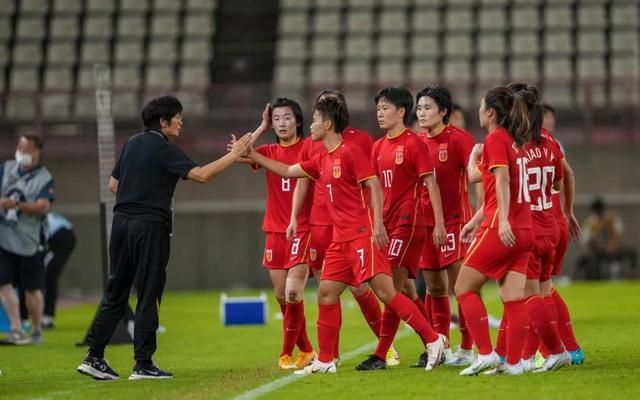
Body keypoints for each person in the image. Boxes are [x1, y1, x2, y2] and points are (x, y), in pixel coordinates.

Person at [246, 96, 447, 374]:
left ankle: (433, 339)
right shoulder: (319, 156)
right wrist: (254, 155)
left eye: (315, 119)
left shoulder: (351, 152)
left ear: (328, 124)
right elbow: (289, 171)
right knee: (327, 293)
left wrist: (377, 225)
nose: (311, 125)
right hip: (340, 240)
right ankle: (326, 360)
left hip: (362, 235)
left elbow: (374, 185)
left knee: (387, 292)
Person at [76, 95, 253, 381]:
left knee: (116, 292)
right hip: (149, 227)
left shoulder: (132, 143)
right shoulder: (163, 147)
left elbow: (113, 185)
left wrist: (139, 192)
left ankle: (94, 356)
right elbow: (202, 175)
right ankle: (143, 363)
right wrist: (235, 155)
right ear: (163, 121)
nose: (181, 121)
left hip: (121, 224)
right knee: (149, 292)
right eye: (178, 116)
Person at [287, 90, 396, 366]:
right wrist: (294, 217)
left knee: (361, 288)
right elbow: (301, 179)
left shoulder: (359, 141)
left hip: (353, 226)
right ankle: (328, 356)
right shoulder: (313, 141)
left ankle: (387, 347)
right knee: (327, 290)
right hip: (320, 224)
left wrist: (376, 219)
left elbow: (370, 181)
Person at [355, 86, 446, 371]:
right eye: (378, 108)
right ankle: (437, 341)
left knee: (388, 287)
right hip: (385, 225)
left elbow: (431, 184)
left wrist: (439, 223)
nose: (380, 113)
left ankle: (382, 354)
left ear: (402, 112)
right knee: (404, 291)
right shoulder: (377, 146)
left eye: (385, 108)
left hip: (408, 223)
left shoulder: (413, 143)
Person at [454, 86, 535, 376]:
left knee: (463, 287)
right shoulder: (515, 141)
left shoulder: (496, 139)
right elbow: (486, 180)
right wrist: (477, 219)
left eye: (480, 106)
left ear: (489, 112)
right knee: (513, 297)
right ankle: (514, 363)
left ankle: (486, 354)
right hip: (525, 228)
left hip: (505, 226)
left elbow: (501, 180)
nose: (477, 111)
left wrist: (500, 221)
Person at [236, 98, 316, 370]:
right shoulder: (268, 149)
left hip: (304, 229)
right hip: (274, 230)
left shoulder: (309, 147)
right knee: (282, 295)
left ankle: (285, 353)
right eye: (277, 119)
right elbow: (238, 152)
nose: (282, 123)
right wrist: (261, 126)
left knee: (294, 292)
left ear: (298, 121)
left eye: (287, 118)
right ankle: (306, 349)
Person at [504, 84, 571, 373]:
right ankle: (538, 354)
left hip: (528, 229)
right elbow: (557, 182)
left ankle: (553, 351)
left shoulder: (513, 145)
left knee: (525, 295)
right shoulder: (550, 141)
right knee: (543, 291)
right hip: (550, 225)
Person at [414, 86, 478, 367]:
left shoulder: (460, 139)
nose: (422, 112)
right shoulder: (416, 142)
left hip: (455, 222)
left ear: (443, 111)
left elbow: (477, 175)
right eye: (419, 107)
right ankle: (442, 347)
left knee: (460, 287)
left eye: (428, 107)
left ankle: (467, 348)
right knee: (435, 288)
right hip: (425, 225)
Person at [541, 103, 585, 365]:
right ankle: (570, 347)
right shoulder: (550, 142)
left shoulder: (525, 141)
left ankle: (546, 351)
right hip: (554, 218)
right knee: (544, 287)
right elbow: (564, 176)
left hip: (537, 220)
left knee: (529, 290)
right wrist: (567, 212)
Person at [0, 135, 54, 346]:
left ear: (37, 152)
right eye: (20, 146)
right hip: (5, 237)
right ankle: (16, 328)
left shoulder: (44, 178)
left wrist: (15, 206)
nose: (21, 151)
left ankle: (37, 328)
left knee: (32, 288)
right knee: (3, 283)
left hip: (30, 240)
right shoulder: (6, 169)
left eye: (27, 148)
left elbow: (43, 206)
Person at [578, 198, 637, 279]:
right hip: (599, 250)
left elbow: (618, 233)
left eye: (600, 209)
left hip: (614, 247)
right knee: (593, 260)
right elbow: (585, 240)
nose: (599, 212)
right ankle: (597, 279)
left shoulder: (612, 218)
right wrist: (596, 242)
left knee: (632, 253)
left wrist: (612, 245)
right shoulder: (590, 222)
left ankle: (632, 275)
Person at [42, 212, 76, 329]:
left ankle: (46, 317)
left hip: (60, 236)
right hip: (68, 235)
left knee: (48, 278)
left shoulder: (33, 213)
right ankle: (46, 316)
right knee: (49, 278)